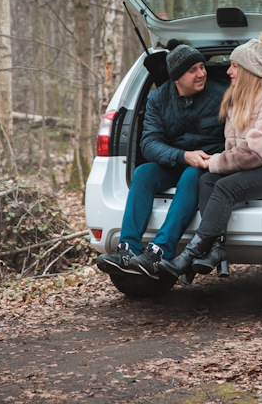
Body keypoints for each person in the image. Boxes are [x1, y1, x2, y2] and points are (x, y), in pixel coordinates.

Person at [160, 30, 262, 279]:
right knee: (206, 180)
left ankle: (190, 255)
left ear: (250, 70)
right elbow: (235, 148)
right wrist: (213, 164)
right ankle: (216, 251)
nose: (228, 71)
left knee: (224, 187)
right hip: (254, 165)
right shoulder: (238, 99)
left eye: (234, 66)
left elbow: (254, 154)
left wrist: (216, 161)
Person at [96, 42, 225, 279]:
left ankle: (159, 251)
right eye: (193, 70)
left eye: (202, 67)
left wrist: (213, 159)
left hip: (208, 164)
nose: (202, 73)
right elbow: (149, 143)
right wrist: (182, 156)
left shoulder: (222, 96)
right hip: (176, 160)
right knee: (144, 172)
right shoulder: (158, 98)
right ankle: (128, 249)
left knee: (190, 177)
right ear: (176, 78)